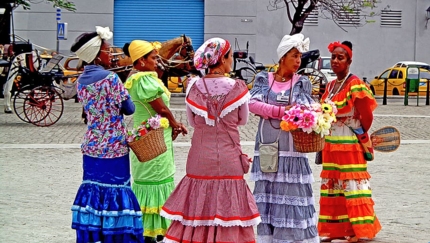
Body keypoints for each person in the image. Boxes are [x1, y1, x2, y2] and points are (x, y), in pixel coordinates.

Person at [160, 37, 261, 243]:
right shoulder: (238, 88)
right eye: (230, 56)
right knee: (229, 207)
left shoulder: (193, 87)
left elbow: (193, 122)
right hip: (229, 156)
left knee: (199, 204)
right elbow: (242, 121)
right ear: (223, 59)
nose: (231, 60)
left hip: (200, 157)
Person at [70, 26, 144, 243]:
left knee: (93, 190)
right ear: (96, 54)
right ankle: (117, 237)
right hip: (114, 146)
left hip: (91, 146)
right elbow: (129, 109)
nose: (110, 54)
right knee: (117, 190)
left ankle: (94, 236)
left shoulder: (80, 81)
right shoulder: (111, 79)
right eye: (107, 50)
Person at [248, 34, 319, 243]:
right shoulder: (263, 79)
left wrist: (272, 110)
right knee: (269, 192)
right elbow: (253, 104)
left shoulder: (302, 82)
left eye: (300, 57)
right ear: (282, 58)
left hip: (291, 149)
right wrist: (281, 111)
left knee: (291, 193)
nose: (298, 61)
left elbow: (304, 109)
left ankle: (290, 238)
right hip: (267, 145)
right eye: (294, 56)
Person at [122, 40, 188, 243]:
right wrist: (176, 123)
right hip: (153, 138)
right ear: (140, 61)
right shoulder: (143, 81)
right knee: (155, 180)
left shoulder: (142, 78)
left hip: (155, 134)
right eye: (152, 58)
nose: (156, 61)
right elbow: (161, 109)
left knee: (154, 180)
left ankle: (154, 230)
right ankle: (151, 232)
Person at [318, 41, 381, 242]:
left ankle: (357, 230)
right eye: (333, 58)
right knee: (334, 186)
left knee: (352, 186)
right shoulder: (330, 86)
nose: (335, 61)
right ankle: (334, 229)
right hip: (331, 145)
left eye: (340, 58)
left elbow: (366, 115)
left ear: (349, 61)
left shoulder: (355, 85)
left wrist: (359, 133)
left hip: (349, 145)